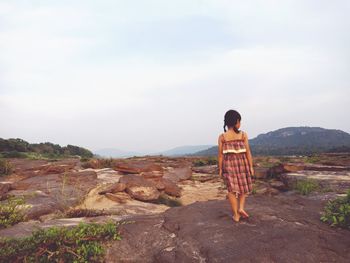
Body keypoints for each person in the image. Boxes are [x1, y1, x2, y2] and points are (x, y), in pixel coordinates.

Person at [217, 109, 254, 222]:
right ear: (237, 121)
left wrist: (220, 169)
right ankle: (241, 208)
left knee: (231, 190)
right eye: (240, 121)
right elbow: (248, 152)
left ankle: (236, 215)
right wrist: (251, 167)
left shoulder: (222, 137)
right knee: (243, 187)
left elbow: (220, 156)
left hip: (229, 165)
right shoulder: (243, 135)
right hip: (242, 163)